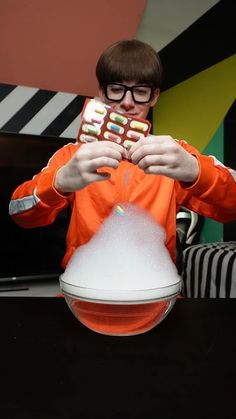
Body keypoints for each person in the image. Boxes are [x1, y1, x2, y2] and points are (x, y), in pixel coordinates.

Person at [9, 39, 236, 270]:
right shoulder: (75, 156)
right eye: (116, 89)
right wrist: (58, 182)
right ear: (102, 93)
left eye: (140, 91)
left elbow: (232, 207)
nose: (127, 103)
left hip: (156, 287)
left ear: (154, 96)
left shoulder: (175, 156)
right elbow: (19, 213)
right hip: (86, 285)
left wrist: (197, 172)